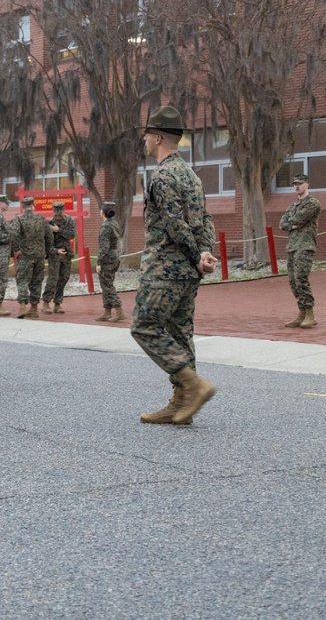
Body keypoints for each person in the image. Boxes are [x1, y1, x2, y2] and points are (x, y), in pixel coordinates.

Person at [134, 106, 218, 426]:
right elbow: (203, 219)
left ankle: (193, 386)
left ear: (157, 138)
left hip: (166, 268)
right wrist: (205, 252)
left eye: (147, 134)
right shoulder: (191, 176)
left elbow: (174, 224)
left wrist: (197, 253)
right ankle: (181, 403)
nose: (144, 139)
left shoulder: (163, 175)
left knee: (144, 326)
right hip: (188, 272)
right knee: (180, 333)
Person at [280, 173, 321, 329]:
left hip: (305, 245)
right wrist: (292, 224)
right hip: (292, 246)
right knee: (293, 281)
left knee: (301, 278)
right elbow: (282, 223)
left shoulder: (313, 203)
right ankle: (302, 312)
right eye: (295, 184)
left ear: (307, 185)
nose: (297, 186)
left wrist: (293, 223)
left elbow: (299, 219)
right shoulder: (294, 205)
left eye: (300, 183)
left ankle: (310, 313)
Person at [9, 196, 52, 318]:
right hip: (39, 256)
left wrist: (16, 249)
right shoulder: (41, 219)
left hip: (25, 256)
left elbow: (13, 234)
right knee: (36, 281)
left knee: (22, 280)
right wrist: (46, 251)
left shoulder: (19, 219)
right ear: (33, 205)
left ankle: (22, 306)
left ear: (23, 207)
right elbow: (50, 237)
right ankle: (34, 308)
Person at [41, 201, 76, 314]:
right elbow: (46, 243)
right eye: (56, 214)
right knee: (53, 279)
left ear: (63, 211)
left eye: (59, 214)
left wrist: (58, 230)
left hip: (66, 255)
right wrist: (56, 251)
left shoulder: (69, 221)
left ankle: (58, 303)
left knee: (64, 278)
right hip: (54, 255)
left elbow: (72, 234)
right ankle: (46, 302)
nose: (58, 216)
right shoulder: (49, 224)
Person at [95, 202, 123, 322]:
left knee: (107, 286)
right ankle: (107, 311)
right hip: (114, 257)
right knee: (106, 284)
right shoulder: (114, 223)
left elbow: (104, 247)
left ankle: (119, 310)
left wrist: (99, 262)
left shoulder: (106, 226)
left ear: (103, 212)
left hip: (107, 260)